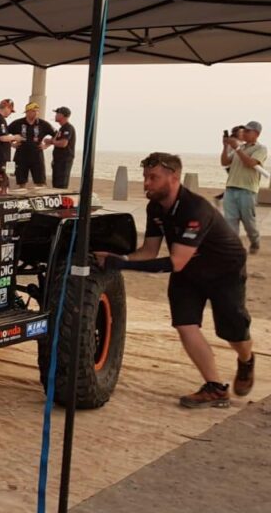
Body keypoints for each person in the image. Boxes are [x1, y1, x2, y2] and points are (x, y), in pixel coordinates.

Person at [95, 152, 255, 408]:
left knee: (233, 332)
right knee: (185, 324)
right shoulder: (155, 208)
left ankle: (246, 360)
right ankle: (215, 388)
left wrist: (120, 264)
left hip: (224, 270)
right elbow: (148, 252)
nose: (146, 183)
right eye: (145, 177)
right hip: (189, 271)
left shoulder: (195, 209)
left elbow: (174, 262)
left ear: (174, 177)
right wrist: (118, 257)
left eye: (153, 177)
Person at [221, 120, 266, 254]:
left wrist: (237, 148)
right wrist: (225, 147)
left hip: (247, 190)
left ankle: (255, 241)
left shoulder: (260, 149)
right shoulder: (240, 148)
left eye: (248, 131)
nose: (244, 133)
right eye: (244, 131)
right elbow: (224, 162)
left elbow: (250, 163)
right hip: (231, 189)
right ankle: (234, 248)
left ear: (256, 134)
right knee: (230, 221)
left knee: (248, 222)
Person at [7, 102, 55, 188]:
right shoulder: (17, 123)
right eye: (33, 111)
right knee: (21, 183)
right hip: (21, 156)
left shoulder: (43, 124)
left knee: (40, 182)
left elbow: (57, 135)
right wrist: (12, 144)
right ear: (27, 112)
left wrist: (47, 145)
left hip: (37, 156)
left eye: (37, 111)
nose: (36, 113)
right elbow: (3, 134)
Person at [50, 106, 77, 190]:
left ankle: (62, 202)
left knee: (61, 185)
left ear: (63, 115)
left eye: (57, 113)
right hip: (58, 160)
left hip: (64, 161)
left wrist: (52, 142)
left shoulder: (68, 128)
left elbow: (63, 143)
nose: (55, 115)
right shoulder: (61, 129)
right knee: (56, 184)